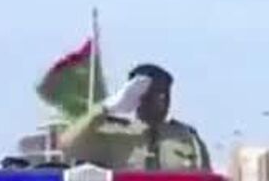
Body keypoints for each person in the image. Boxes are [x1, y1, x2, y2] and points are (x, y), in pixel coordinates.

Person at [58, 63, 211, 171]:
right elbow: (67, 145)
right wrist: (105, 108)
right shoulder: (113, 134)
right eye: (153, 93)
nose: (161, 100)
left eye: (165, 94)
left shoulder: (187, 138)